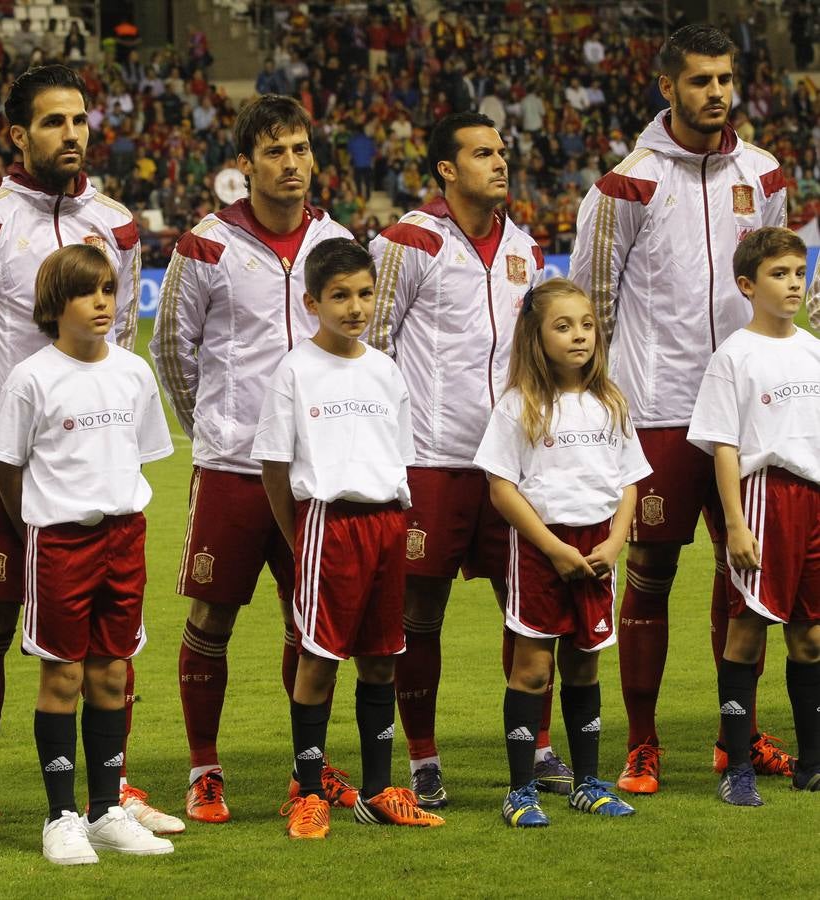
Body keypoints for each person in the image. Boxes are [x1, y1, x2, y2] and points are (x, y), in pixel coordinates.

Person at [0, 65, 179, 853]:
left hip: (95, 473)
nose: (70, 134)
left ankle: (111, 791)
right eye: (52, 122)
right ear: (18, 135)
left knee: (110, 633)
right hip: (9, 468)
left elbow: (126, 333)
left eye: (78, 120)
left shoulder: (118, 222)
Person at [569, 24, 792, 794]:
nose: (716, 93)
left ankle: (741, 738)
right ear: (667, 87)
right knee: (651, 570)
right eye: (699, 80)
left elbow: (776, 279)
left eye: (725, 79)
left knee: (749, 578)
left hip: (747, 410)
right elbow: (591, 300)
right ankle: (642, 743)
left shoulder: (763, 176)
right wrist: (601, 402)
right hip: (658, 405)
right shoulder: (625, 183)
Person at [151, 94, 355, 823]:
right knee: (212, 617)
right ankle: (205, 769)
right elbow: (171, 349)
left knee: (311, 623)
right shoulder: (204, 245)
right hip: (234, 469)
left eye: (301, 148)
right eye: (276, 151)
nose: (292, 164)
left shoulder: (337, 238)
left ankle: (309, 768)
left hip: (314, 472)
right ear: (245, 165)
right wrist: (211, 426)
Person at [367, 112, 558, 809]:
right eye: (483, 153)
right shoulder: (406, 242)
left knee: (530, 600)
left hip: (510, 461)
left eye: (503, 150)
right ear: (447, 169)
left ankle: (536, 747)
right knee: (420, 606)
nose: (500, 163)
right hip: (429, 459)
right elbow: (373, 344)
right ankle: (422, 757)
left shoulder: (526, 250)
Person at [0, 245, 176, 865]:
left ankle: (106, 811)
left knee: (113, 674)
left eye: (109, 291)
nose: (102, 303)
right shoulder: (32, 377)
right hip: (61, 542)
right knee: (63, 675)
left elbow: (141, 453)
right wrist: (34, 528)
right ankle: (60, 816)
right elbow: (5, 465)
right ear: (54, 305)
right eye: (87, 292)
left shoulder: (134, 371)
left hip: (125, 536)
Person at [252, 239, 445, 838]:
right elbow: (273, 466)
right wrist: (300, 536)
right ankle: (308, 791)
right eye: (339, 296)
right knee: (318, 659)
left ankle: (381, 790)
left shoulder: (385, 370)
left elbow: (399, 457)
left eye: (364, 293)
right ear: (312, 301)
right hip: (327, 525)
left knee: (383, 659)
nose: (354, 307)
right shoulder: (295, 369)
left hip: (386, 523)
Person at [475, 279, 649, 827]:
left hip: (598, 549)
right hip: (541, 550)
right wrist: (551, 548)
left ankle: (589, 780)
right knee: (532, 668)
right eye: (563, 325)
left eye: (587, 325)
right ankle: (521, 788)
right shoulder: (519, 405)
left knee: (584, 664)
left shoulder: (610, 401)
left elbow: (629, 483)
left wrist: (616, 542)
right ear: (536, 336)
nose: (579, 336)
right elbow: (502, 488)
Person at [686, 227, 820, 804]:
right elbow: (723, 446)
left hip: (815, 500)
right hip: (766, 498)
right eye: (778, 274)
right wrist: (736, 523)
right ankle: (736, 766)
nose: (792, 284)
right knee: (747, 630)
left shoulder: (814, 349)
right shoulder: (733, 355)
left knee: (811, 635)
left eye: (798, 272)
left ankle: (812, 762)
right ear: (747, 285)